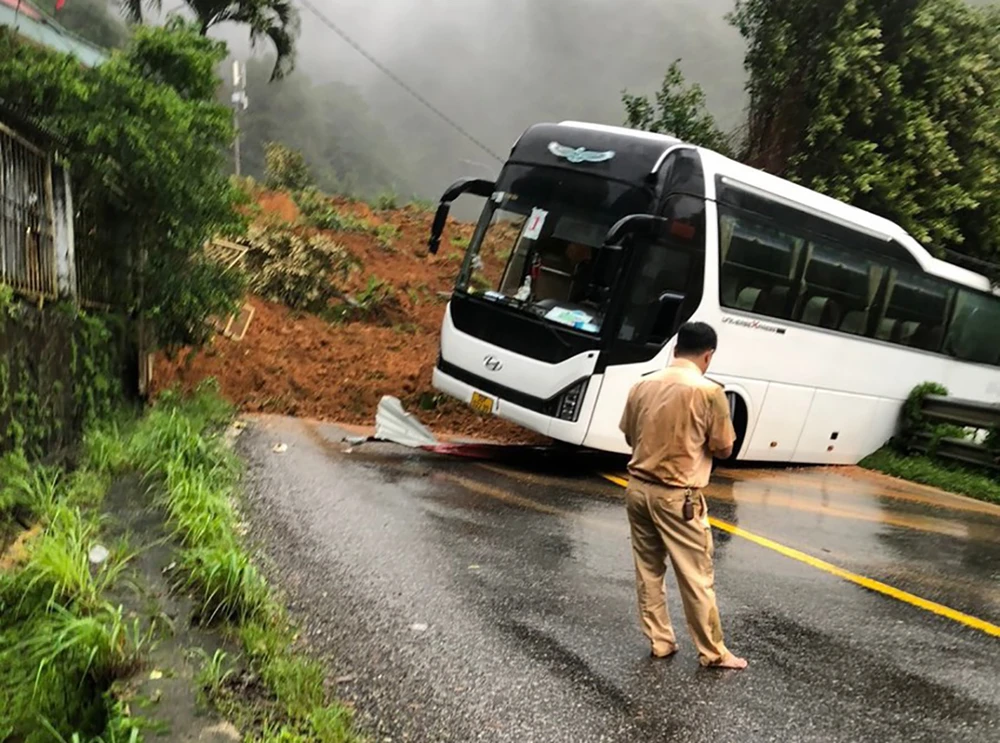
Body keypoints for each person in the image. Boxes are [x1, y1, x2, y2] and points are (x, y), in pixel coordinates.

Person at [618, 321, 748, 670]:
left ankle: (660, 641)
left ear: (676, 348)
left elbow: (629, 434)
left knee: (648, 570)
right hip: (680, 498)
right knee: (696, 576)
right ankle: (714, 652)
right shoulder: (709, 392)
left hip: (638, 489)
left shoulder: (643, 383)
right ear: (708, 355)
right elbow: (723, 447)